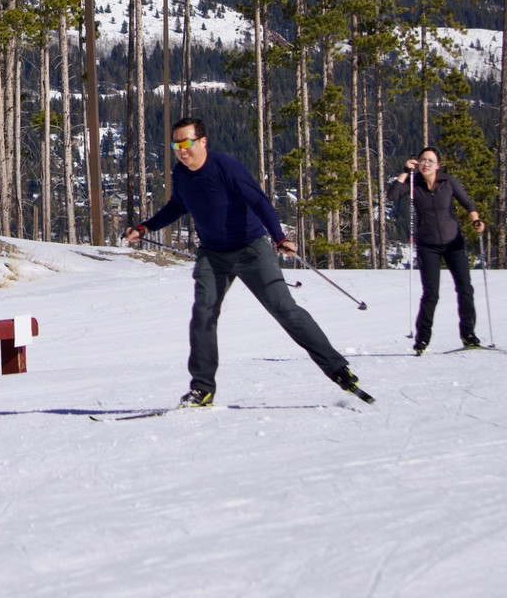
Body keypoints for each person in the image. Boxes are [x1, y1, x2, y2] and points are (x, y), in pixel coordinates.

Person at [124, 117, 365, 407]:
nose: (181, 149)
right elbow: (178, 205)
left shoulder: (226, 167)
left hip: (252, 249)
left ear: (202, 141)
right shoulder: (181, 173)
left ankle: (338, 370)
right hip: (213, 255)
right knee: (203, 316)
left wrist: (279, 237)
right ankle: (202, 389)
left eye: (186, 142)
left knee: (285, 310)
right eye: (176, 144)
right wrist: (145, 227)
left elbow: (259, 201)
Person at [386, 146, 484, 354]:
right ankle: (422, 340)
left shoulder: (448, 182)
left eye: (430, 161)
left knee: (465, 289)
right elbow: (392, 195)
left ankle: (468, 335)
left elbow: (468, 203)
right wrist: (404, 171)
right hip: (428, 245)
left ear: (438, 165)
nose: (426, 164)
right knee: (431, 294)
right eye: (422, 160)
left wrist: (476, 221)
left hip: (453, 243)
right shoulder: (414, 183)